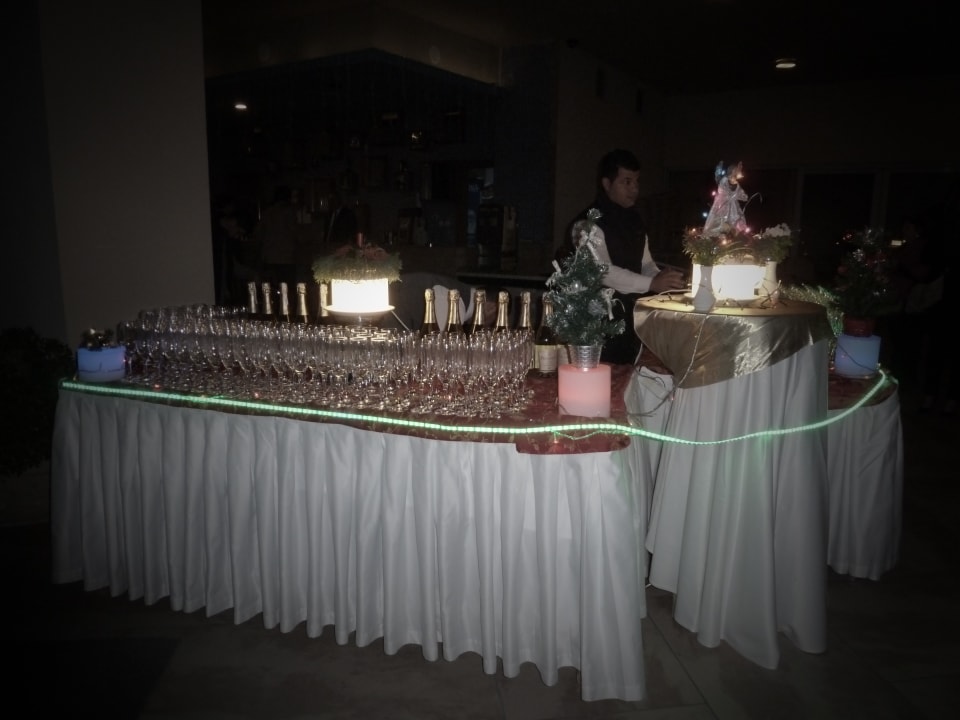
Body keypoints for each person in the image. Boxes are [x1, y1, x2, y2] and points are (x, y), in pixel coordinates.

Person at [562, 148, 686, 364]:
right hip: (594, 323)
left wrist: (663, 279)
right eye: (626, 182)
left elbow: (646, 263)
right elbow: (602, 272)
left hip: (630, 317)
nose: (634, 188)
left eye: (636, 181)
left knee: (628, 374)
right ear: (607, 184)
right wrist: (652, 283)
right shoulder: (587, 224)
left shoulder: (635, 221)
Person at [253, 185, 300, 285]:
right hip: (286, 257)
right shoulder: (289, 212)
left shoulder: (267, 212)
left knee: (272, 286)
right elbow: (295, 232)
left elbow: (258, 233)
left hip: (269, 256)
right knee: (287, 286)